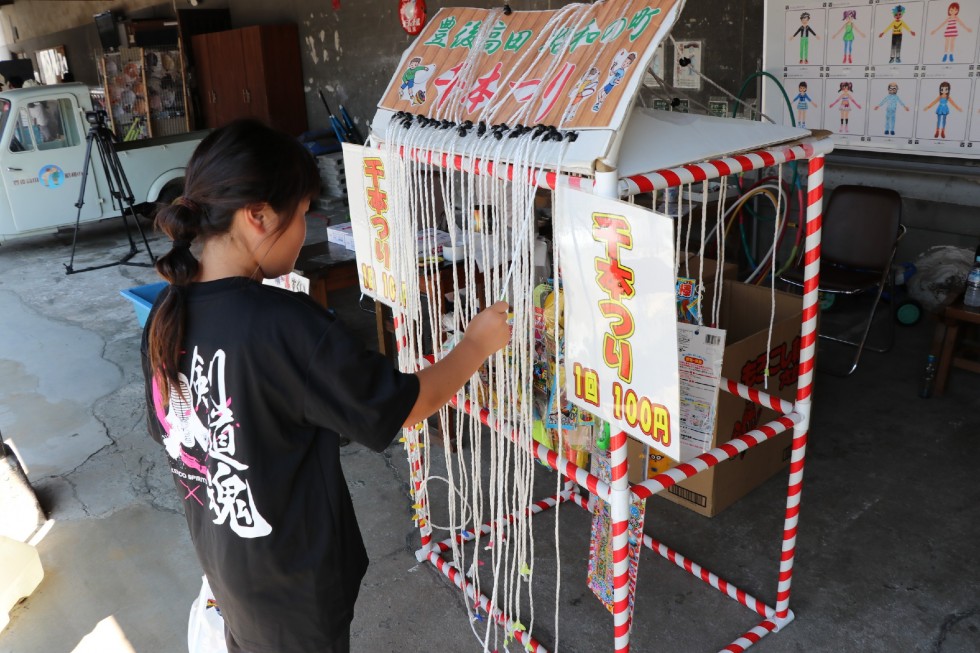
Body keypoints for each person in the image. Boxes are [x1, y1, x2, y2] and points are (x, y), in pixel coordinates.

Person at [141, 119, 511, 653]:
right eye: (305, 211)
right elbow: (404, 405)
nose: (308, 226)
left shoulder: (166, 312)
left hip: (228, 569)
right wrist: (476, 343)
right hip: (294, 591)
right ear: (258, 215)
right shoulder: (285, 324)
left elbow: (177, 435)